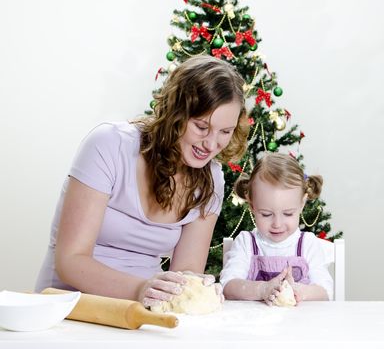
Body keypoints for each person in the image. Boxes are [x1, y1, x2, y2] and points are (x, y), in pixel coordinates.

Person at [35, 55, 249, 307]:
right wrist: (141, 288)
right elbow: (71, 260)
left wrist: (196, 289)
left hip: (143, 310)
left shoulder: (211, 179)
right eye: (202, 127)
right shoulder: (109, 145)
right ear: (176, 113)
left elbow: (186, 272)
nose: (212, 144)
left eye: (225, 131)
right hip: (69, 307)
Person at [220, 152, 333, 305]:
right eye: (266, 214)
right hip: (252, 325)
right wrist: (262, 289)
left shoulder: (307, 244)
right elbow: (227, 286)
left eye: (288, 213)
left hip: (300, 325)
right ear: (252, 205)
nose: (277, 224)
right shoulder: (246, 243)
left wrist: (301, 291)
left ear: (302, 204)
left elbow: (325, 291)